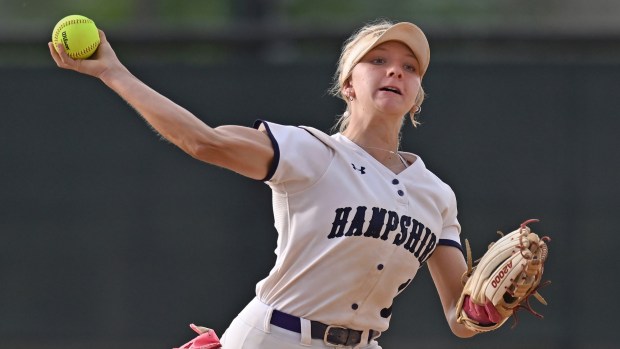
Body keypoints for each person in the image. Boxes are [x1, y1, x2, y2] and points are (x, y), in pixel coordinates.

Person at [49, 19, 499, 349]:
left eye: (409, 67)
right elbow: (204, 142)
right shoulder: (312, 152)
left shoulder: (436, 195)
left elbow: (461, 317)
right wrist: (112, 72)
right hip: (277, 336)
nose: (395, 71)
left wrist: (493, 307)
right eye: (377, 60)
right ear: (348, 84)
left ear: (418, 94)